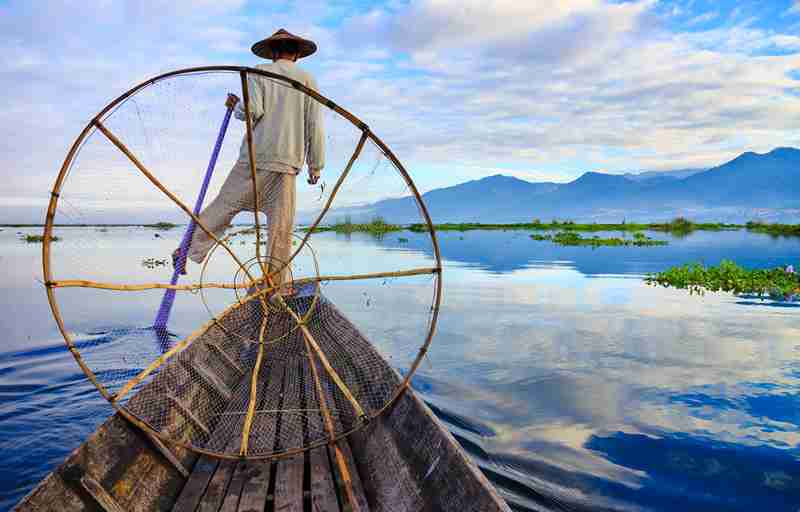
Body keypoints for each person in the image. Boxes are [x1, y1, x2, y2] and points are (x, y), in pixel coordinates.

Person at [176, 29, 325, 297]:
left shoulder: (259, 72)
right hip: (287, 160)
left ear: (274, 53)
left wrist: (236, 106)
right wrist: (316, 165)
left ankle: (187, 249)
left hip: (256, 156)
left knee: (225, 204)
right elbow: (315, 124)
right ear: (297, 55)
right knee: (281, 226)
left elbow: (251, 111)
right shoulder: (307, 79)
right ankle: (275, 286)